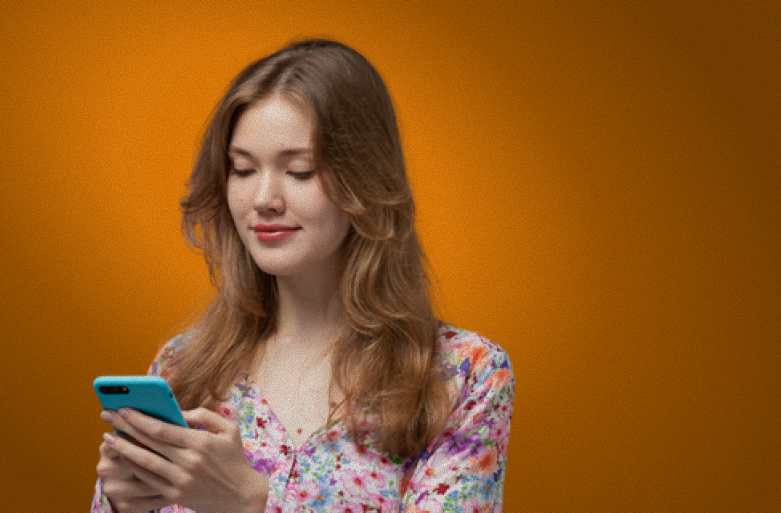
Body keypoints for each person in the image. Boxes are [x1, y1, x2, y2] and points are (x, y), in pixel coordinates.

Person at [92, 38, 514, 513]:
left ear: (366, 181)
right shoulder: (183, 370)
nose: (264, 199)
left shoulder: (461, 376)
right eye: (242, 169)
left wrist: (251, 505)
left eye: (300, 171)